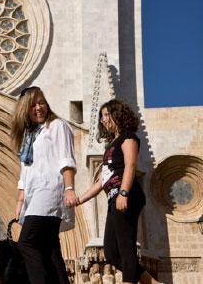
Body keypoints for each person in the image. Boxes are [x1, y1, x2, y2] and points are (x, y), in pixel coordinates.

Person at [76, 99, 161, 284]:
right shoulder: (111, 145)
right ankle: (151, 283)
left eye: (107, 115)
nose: (103, 120)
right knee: (111, 252)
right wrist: (80, 199)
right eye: (101, 117)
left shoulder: (128, 137)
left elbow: (130, 164)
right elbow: (102, 180)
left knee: (126, 246)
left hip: (126, 195)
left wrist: (124, 193)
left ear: (118, 115)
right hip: (113, 197)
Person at [12, 86, 79, 284]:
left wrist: (69, 188)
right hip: (34, 196)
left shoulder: (57, 125)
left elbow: (66, 159)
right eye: (33, 104)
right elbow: (26, 171)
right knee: (50, 249)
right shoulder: (29, 135)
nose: (39, 107)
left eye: (41, 102)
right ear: (25, 109)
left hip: (50, 191)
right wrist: (20, 200)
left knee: (27, 243)